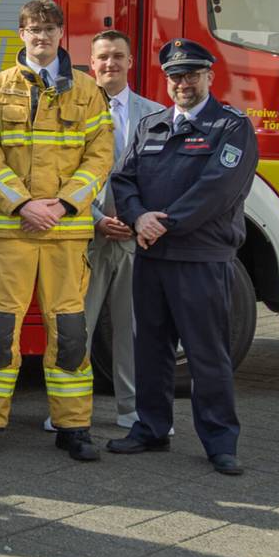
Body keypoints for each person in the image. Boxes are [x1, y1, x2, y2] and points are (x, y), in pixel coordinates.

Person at [0, 0, 113, 460]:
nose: (42, 37)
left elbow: (100, 156)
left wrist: (66, 205)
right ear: (22, 34)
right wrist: (23, 204)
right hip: (10, 231)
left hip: (65, 233)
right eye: (33, 29)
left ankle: (74, 427)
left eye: (50, 29)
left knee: (69, 332)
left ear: (61, 34)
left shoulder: (88, 91)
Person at [108, 40, 259, 475]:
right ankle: (151, 427)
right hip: (153, 256)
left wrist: (162, 223)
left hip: (200, 258)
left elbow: (218, 189)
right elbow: (124, 179)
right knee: (150, 349)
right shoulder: (151, 125)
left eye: (192, 74)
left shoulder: (231, 127)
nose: (183, 83)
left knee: (206, 354)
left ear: (210, 76)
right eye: (175, 76)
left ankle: (220, 441)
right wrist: (137, 217)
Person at [83, 28, 168, 432]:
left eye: (118, 56)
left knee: (131, 331)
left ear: (131, 62)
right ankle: (70, 411)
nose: (110, 63)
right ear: (91, 64)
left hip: (134, 238)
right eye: (102, 57)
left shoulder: (154, 115)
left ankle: (132, 409)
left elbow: (163, 177)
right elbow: (59, 174)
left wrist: (137, 219)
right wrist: (97, 218)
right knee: (74, 329)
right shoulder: (73, 110)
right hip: (86, 235)